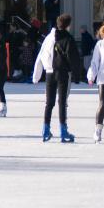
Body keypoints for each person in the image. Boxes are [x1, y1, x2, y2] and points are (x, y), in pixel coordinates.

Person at [33, 13, 79, 142]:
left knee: (49, 102)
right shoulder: (68, 38)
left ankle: (45, 130)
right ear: (68, 25)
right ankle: (63, 131)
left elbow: (40, 55)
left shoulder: (48, 38)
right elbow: (73, 57)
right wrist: (76, 75)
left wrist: (36, 76)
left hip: (49, 72)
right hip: (63, 73)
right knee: (62, 102)